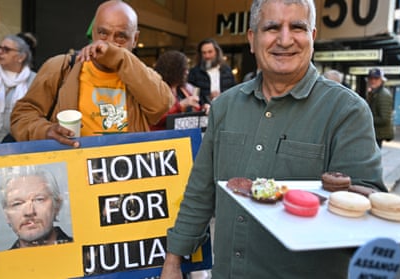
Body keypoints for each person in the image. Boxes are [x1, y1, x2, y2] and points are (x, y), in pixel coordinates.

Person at [160, 0, 386, 278]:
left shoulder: (347, 111)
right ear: (253, 39)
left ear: (312, 37)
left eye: (298, 27)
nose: (285, 39)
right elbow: (200, 192)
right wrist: (173, 259)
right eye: (272, 27)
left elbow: (364, 211)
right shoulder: (225, 107)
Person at [10, 0, 173, 148]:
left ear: (135, 39)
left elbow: (161, 105)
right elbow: (22, 116)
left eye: (121, 36)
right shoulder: (61, 67)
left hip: (125, 174)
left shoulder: (140, 75)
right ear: (93, 32)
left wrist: (118, 57)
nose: (109, 42)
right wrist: (46, 131)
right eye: (103, 33)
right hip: (74, 173)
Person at [0, 166, 72, 249]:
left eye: (39, 199)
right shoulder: (1, 261)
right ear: (6, 215)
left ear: (57, 205)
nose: (29, 212)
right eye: (17, 204)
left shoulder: (83, 253)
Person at [150, 50, 204, 131]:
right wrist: (180, 105)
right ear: (173, 70)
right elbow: (155, 119)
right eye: (183, 69)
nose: (187, 72)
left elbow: (193, 111)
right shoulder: (157, 89)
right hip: (162, 137)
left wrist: (204, 109)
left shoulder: (183, 89)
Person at [187, 38, 236, 106]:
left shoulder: (227, 70)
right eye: (204, 53)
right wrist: (207, 98)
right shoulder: (194, 72)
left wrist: (221, 95)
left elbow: (234, 92)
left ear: (216, 52)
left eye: (210, 52)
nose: (207, 56)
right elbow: (192, 95)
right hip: (203, 112)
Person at [366, 68, 394, 148]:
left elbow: (384, 119)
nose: (373, 81)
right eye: (371, 78)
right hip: (375, 133)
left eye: (376, 78)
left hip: (378, 134)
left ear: (381, 80)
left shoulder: (383, 95)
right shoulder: (375, 92)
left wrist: (366, 118)